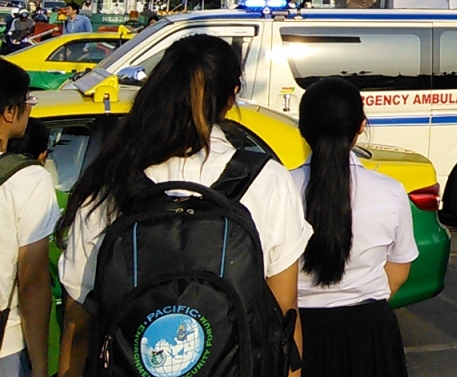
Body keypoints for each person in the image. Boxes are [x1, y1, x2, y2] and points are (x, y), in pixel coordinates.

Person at [56, 34, 312, 377]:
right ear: (232, 96)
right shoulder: (266, 180)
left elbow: (78, 320)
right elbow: (284, 310)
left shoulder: (110, 180)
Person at [292, 78, 417, 377]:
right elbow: (398, 271)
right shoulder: (390, 191)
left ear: (302, 128)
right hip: (370, 335)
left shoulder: (277, 188)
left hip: (296, 333)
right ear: (361, 127)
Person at [0, 59, 58, 377]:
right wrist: (40, 365)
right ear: (10, 112)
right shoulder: (28, 179)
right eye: (27, 101)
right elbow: (32, 281)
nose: (30, 107)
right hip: (5, 346)